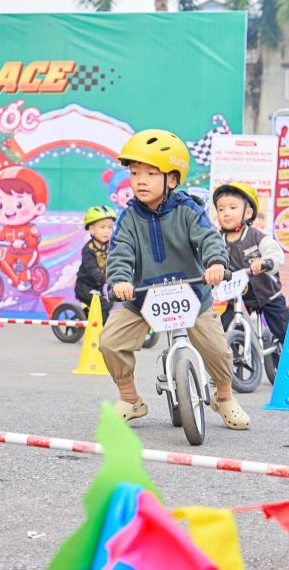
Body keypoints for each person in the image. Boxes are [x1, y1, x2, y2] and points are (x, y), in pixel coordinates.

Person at [101, 129, 250, 430]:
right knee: (110, 341)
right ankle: (130, 399)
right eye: (134, 173)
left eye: (150, 173)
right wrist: (119, 281)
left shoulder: (188, 210)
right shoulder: (128, 218)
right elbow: (120, 252)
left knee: (217, 348)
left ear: (172, 179)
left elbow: (209, 239)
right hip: (143, 295)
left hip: (191, 292)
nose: (140, 181)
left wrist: (216, 263)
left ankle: (223, 396)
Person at [212, 182, 289, 345]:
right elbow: (210, 259)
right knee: (222, 332)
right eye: (221, 209)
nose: (226, 213)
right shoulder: (218, 242)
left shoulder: (256, 237)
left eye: (232, 208)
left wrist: (266, 262)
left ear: (248, 213)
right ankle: (235, 356)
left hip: (268, 294)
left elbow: (274, 252)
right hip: (238, 299)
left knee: (285, 332)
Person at [0, 166, 47, 291]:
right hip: (11, 253)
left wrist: (24, 243)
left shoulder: (30, 228)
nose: (8, 211)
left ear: (38, 208)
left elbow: (35, 239)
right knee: (2, 261)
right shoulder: (5, 229)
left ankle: (26, 281)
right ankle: (13, 277)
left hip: (27, 253)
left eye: (19, 204)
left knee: (21, 266)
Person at [74, 205, 116, 320]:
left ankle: (94, 321)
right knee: (104, 306)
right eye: (102, 227)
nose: (107, 231)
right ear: (92, 229)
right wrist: (108, 278)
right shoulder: (88, 250)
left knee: (111, 302)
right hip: (85, 288)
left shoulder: (109, 248)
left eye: (110, 227)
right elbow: (93, 271)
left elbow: (115, 262)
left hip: (98, 288)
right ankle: (103, 329)